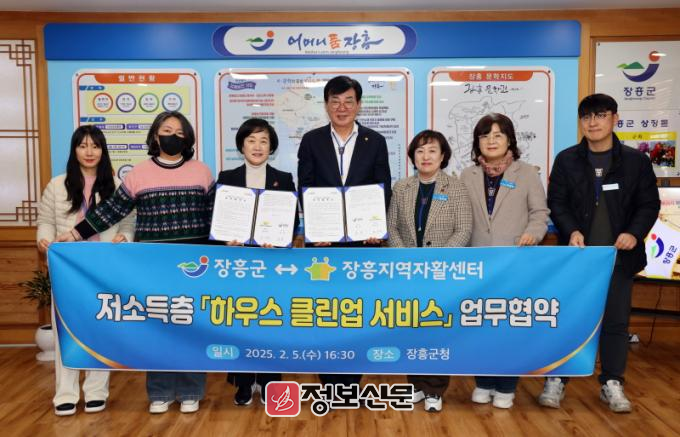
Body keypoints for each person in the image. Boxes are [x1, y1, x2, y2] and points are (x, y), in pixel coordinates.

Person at [56, 111, 215, 414]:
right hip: (152, 265)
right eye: (166, 130)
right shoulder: (139, 173)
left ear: (188, 139)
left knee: (192, 328)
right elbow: (112, 210)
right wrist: (75, 234)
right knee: (158, 328)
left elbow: (214, 216)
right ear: (155, 136)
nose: (172, 136)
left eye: (179, 132)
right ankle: (159, 392)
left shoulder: (202, 172)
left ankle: (191, 391)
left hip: (194, 267)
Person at [541, 94, 660, 413]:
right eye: (586, 117)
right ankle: (557, 377)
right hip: (576, 257)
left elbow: (649, 204)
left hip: (618, 258)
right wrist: (571, 230)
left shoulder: (635, 161)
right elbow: (557, 202)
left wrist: (633, 233)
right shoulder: (567, 159)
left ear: (615, 119)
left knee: (616, 323)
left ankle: (612, 382)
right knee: (568, 318)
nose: (593, 122)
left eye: (600, 115)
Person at [297, 75, 392, 389]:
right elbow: (305, 187)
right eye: (335, 101)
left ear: (358, 105)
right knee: (325, 310)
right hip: (323, 246)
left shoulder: (375, 141)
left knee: (358, 310)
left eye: (348, 101)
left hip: (363, 245)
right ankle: (328, 378)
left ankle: (352, 378)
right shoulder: (311, 140)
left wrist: (375, 229)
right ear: (326, 105)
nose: (342, 107)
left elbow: (383, 189)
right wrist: (315, 229)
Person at [37, 125, 135, 416]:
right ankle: (65, 394)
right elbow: (45, 221)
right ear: (74, 150)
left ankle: (95, 392)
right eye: (83, 146)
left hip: (103, 269)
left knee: (100, 330)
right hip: (68, 269)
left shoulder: (116, 185)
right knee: (65, 331)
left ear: (103, 151)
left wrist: (126, 236)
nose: (89, 152)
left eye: (95, 146)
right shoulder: (58, 184)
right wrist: (43, 239)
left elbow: (129, 222)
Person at [460, 113, 549, 409]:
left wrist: (533, 233)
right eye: (485, 135)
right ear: (477, 142)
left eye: (498, 134)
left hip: (515, 262)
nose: (491, 140)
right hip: (478, 264)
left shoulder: (527, 173)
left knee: (510, 326)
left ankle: (507, 385)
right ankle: (483, 382)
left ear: (509, 140)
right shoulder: (467, 175)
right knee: (479, 326)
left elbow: (539, 213)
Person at [387, 129, 472, 412]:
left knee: (437, 329)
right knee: (411, 328)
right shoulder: (402, 187)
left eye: (432, 150)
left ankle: (434, 389)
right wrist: (406, 259)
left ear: (443, 156)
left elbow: (464, 230)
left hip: (441, 272)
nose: (426, 156)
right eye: (420, 150)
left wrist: (437, 261)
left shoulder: (456, 187)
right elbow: (392, 227)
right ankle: (415, 385)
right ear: (412, 156)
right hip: (408, 272)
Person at [216, 118, 297, 406]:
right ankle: (242, 381)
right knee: (240, 321)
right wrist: (225, 239)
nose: (258, 146)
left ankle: (268, 379)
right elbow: (217, 219)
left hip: (271, 263)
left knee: (270, 320)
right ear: (241, 145)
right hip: (238, 265)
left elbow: (291, 221)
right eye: (251, 140)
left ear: (272, 147)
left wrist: (279, 238)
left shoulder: (283, 179)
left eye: (264, 141)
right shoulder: (227, 177)